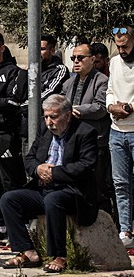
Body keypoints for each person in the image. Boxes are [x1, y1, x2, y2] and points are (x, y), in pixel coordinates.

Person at [0, 94, 98, 273]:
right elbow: (30, 159)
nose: (48, 121)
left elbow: (86, 166)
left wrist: (53, 173)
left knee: (54, 200)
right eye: (45, 116)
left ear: (67, 116)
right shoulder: (45, 131)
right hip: (44, 188)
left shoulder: (85, 132)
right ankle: (28, 252)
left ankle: (59, 256)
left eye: (53, 116)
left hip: (72, 191)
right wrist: (38, 170)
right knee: (9, 199)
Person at [0, 31, 27, 241]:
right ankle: (0, 224)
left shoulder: (15, 72)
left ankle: (16, 225)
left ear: (1, 48)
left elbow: (14, 101)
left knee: (9, 180)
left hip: (5, 134)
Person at [62, 40, 112, 216]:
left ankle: (106, 224)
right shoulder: (69, 82)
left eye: (80, 58)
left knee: (98, 186)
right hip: (72, 142)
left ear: (92, 59)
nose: (76, 61)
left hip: (95, 142)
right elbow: (61, 104)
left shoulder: (102, 80)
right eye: (73, 57)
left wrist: (74, 111)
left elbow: (100, 107)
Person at [106, 25, 134, 247]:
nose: (121, 50)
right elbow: (110, 89)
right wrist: (111, 106)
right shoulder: (114, 62)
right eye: (118, 45)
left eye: (125, 45)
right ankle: (125, 230)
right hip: (117, 131)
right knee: (120, 183)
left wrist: (129, 107)